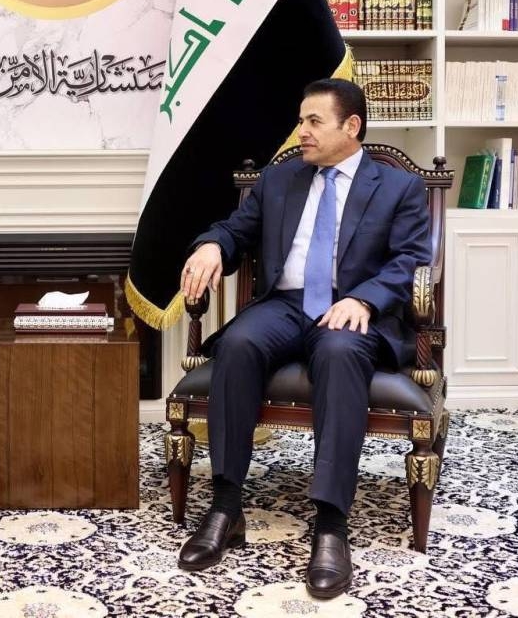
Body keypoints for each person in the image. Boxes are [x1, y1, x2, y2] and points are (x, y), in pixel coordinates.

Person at [176, 79, 431, 599]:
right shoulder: (279, 179)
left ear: (351, 126)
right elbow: (236, 230)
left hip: (351, 307)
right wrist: (211, 246)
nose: (302, 132)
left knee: (338, 353)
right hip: (285, 305)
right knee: (239, 344)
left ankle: (332, 525)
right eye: (301, 120)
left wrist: (365, 300)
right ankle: (226, 507)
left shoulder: (398, 187)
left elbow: (410, 259)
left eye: (314, 121)